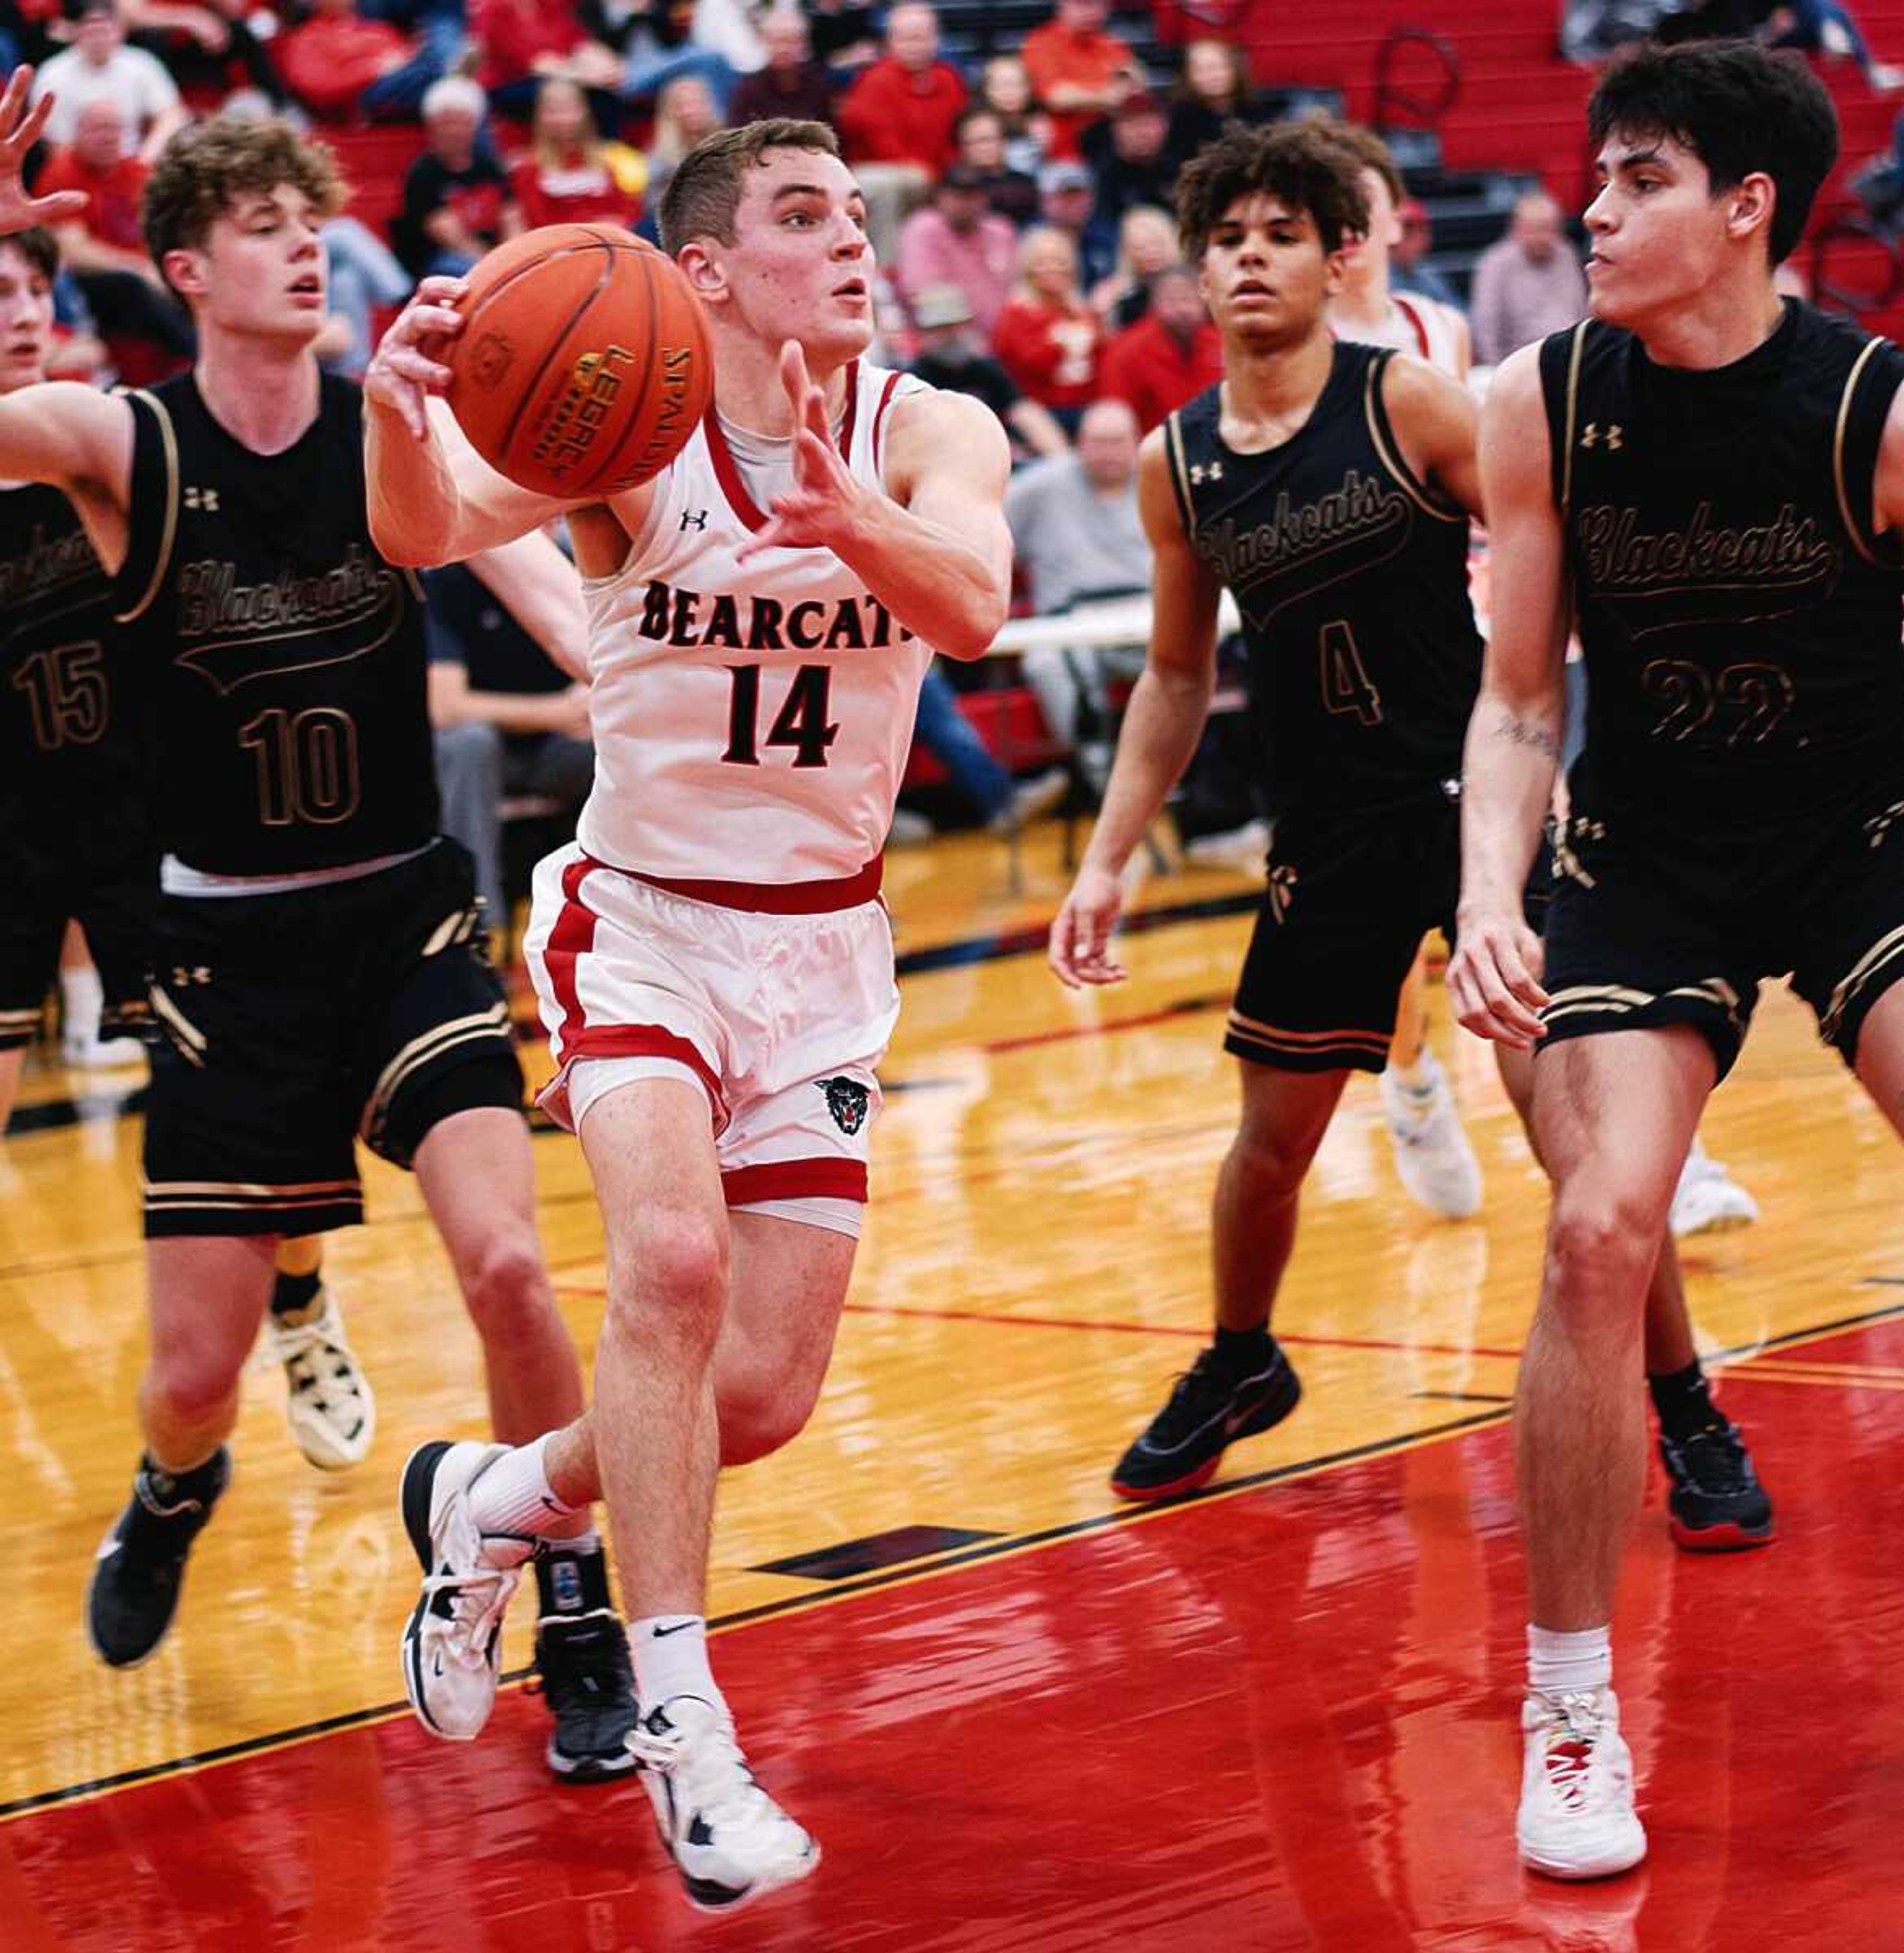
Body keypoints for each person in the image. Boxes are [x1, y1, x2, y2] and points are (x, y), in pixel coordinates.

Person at [362, 115, 1013, 1910]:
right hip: (639, 926)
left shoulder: (932, 426)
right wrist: (393, 408)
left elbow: (974, 609)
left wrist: (847, 516)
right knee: (667, 1268)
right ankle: (680, 1718)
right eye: (810, 217)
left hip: (824, 953)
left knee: (766, 1395)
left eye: (867, 213)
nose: (860, 244)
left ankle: (499, 1501)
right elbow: (420, 529)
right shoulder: (622, 427)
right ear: (705, 269)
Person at [0, 79, 639, 1779]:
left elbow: (583, 630)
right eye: (263, 225)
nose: (306, 245)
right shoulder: (119, 441)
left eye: (314, 219)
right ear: (186, 272)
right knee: (192, 1377)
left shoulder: (409, 430)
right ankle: (174, 1487)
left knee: (508, 1260)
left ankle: (574, 1599)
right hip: (225, 963)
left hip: (406, 922)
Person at [1447, 42, 1885, 1878]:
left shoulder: (1870, 405)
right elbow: (1519, 699)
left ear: (1745, 209)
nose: (1590, 211)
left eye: (1634, 182)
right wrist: (1488, 888)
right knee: (1593, 1227)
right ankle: (1568, 1717)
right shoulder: (1541, 401)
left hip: (1863, 841)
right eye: (1593, 178)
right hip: (1646, 859)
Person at [1049, 125, 1490, 1519]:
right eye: (1226, 236)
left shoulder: (1413, 401)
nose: (1249, 254)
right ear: (1196, 268)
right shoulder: (1178, 463)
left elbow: (1543, 557)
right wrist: (1108, 857)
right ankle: (1242, 1358)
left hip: (1476, 801)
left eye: (1279, 233)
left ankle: (1677, 1397)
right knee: (1268, 1147)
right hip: (1329, 829)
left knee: (1578, 1128)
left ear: (1334, 254)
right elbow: (1178, 677)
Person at [426, 554, 593, 932]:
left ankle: (605, 920)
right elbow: (446, 706)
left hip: (555, 751)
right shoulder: (449, 581)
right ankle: (478, 927)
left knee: (616, 748)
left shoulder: (574, 569)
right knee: (468, 744)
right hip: (484, 756)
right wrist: (555, 712)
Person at [1007, 397, 1151, 779]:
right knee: (1045, 662)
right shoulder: (1042, 486)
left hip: (1150, 616)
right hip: (1071, 625)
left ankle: (1201, 779)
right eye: (1097, 442)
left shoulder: (1160, 480)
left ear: (1136, 442)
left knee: (1203, 652)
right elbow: (987, 530)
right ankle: (1102, 774)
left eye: (1117, 442)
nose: (1107, 453)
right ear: (1079, 443)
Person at [905, 281, 1068, 459]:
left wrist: (1061, 458)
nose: (952, 335)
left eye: (957, 326)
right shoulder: (914, 380)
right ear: (924, 334)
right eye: (940, 329)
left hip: (997, 456)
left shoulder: (986, 369)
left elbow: (1023, 411)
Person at [29, 0, 185, 167]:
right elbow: (55, 145)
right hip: (77, 167)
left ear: (120, 30)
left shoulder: (142, 63)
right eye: (91, 30)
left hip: (134, 162)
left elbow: (172, 116)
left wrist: (145, 158)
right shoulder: (52, 75)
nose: (99, 38)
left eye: (105, 29)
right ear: (75, 31)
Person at [502, 76, 647, 235]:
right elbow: (535, 224)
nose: (565, 119)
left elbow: (630, 211)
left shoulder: (611, 161)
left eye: (571, 109)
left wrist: (616, 224)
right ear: (540, 116)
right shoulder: (527, 170)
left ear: (585, 113)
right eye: (554, 111)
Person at [991, 222, 1102, 427]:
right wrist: (1060, 344)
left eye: (1060, 262)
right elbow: (1021, 368)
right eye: (1042, 262)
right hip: (1040, 413)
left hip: (1088, 409)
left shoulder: (1083, 311)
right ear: (1028, 268)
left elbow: (1102, 359)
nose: (1053, 269)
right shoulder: (1016, 314)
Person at [397, 76, 507, 280]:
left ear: (474, 125)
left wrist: (518, 257)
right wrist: (497, 270)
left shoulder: (490, 165)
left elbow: (511, 216)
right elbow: (452, 238)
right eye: (447, 123)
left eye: (462, 122)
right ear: (432, 127)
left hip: (493, 256)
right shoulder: (422, 173)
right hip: (441, 260)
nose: (454, 131)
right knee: (458, 269)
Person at [894, 160, 1018, 337]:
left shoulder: (1001, 231)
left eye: (973, 195)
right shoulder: (923, 229)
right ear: (940, 196)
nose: (966, 204)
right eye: (958, 196)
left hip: (1003, 338)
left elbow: (1019, 289)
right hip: (943, 339)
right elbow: (924, 295)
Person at [1097, 260, 1223, 433]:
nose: (1182, 309)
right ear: (1154, 303)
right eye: (1171, 300)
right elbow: (1114, 417)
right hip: (1151, 451)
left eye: (1189, 299)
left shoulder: (1222, 345)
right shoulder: (1126, 350)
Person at [1468, 188, 1588, 368]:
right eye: (1537, 229)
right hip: (1520, 365)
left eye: (1551, 229)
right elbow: (1486, 331)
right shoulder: (1495, 264)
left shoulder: (1566, 253)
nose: (1545, 238)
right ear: (1517, 229)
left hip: (1573, 360)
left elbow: (1582, 312)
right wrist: (1500, 374)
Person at [1020, 0, 1141, 162]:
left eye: (1100, 4)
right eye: (1084, 3)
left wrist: (1085, 95)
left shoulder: (1110, 43)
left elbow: (1136, 83)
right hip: (1063, 157)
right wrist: (1108, 96)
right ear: (1063, 4)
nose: (1093, 11)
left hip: (1114, 153)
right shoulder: (1042, 41)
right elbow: (1056, 96)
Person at [726, 5, 834, 129]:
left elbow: (831, 135)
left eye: (791, 41)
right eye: (776, 41)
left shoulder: (818, 85)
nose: (784, 49)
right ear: (764, 43)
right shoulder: (747, 90)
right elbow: (737, 137)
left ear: (804, 44)